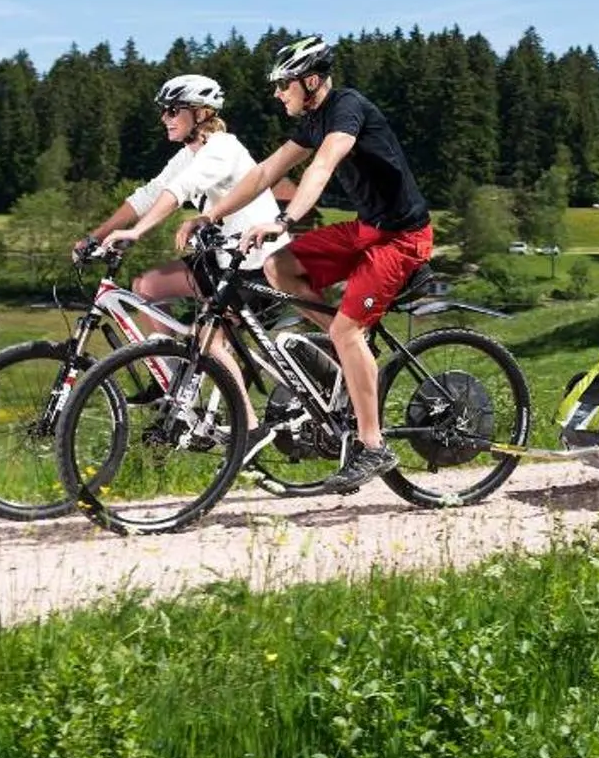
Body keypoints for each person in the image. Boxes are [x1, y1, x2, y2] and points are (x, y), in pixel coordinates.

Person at [202, 35, 434, 492]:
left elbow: (322, 167)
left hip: (403, 237)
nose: (276, 94)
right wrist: (212, 213)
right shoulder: (313, 118)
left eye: (283, 85)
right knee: (279, 266)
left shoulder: (347, 109)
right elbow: (266, 172)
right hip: (367, 229)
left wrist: (284, 218)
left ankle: (373, 446)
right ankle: (345, 347)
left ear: (310, 81)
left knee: (346, 329)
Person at [77, 74, 286, 379]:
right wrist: (94, 237)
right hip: (222, 262)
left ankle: (247, 426)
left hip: (259, 265)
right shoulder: (187, 155)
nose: (165, 118)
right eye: (164, 111)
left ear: (201, 113)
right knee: (146, 287)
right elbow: (149, 195)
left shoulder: (224, 147)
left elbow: (180, 191)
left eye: (173, 110)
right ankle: (173, 382)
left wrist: (136, 232)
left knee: (208, 343)